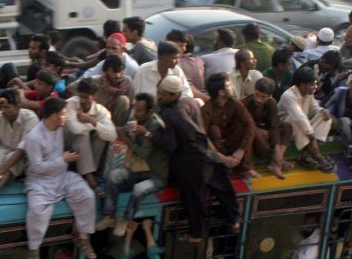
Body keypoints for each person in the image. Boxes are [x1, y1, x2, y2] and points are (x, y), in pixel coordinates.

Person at [154, 75, 239, 242]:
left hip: (190, 162)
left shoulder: (171, 115)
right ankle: (234, 220)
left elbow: (170, 145)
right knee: (223, 188)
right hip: (207, 153)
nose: (158, 96)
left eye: (162, 94)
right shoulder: (189, 102)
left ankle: (196, 234)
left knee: (193, 199)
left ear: (174, 95)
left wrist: (152, 135)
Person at [23, 97, 97, 259]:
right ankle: (33, 250)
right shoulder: (34, 137)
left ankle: (83, 237)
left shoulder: (60, 128)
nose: (66, 117)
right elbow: (37, 167)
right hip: (40, 181)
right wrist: (62, 159)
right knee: (37, 210)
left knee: (87, 195)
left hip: (62, 176)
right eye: (64, 114)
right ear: (55, 116)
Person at [97, 93, 169, 236]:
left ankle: (125, 219)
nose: (135, 114)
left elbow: (142, 153)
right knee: (113, 176)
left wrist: (127, 138)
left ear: (149, 111)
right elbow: (127, 132)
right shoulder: (135, 120)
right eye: (135, 110)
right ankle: (109, 216)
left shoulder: (154, 126)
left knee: (139, 189)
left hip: (155, 175)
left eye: (139, 111)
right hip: (139, 170)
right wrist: (123, 132)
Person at [202, 72, 258, 178]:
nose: (232, 87)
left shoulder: (235, 104)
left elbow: (250, 125)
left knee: (242, 125)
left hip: (233, 146)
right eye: (229, 85)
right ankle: (224, 168)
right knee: (213, 130)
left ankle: (244, 168)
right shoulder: (206, 110)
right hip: (216, 151)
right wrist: (222, 158)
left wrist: (241, 151)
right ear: (221, 92)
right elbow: (202, 139)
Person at [65, 78, 118, 192]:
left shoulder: (101, 111)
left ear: (94, 96)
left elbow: (112, 135)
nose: (82, 100)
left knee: (103, 134)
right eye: (81, 96)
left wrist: (91, 120)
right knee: (83, 135)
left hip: (85, 157)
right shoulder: (71, 103)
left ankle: (89, 172)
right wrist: (94, 127)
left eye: (86, 97)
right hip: (67, 149)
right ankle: (90, 179)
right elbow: (75, 128)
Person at [279, 67, 334, 173]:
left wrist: (323, 110)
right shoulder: (288, 95)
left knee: (325, 117)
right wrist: (312, 138)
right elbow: (299, 117)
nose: (315, 87)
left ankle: (307, 155)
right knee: (296, 119)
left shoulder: (308, 93)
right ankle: (317, 155)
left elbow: (315, 108)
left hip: (301, 130)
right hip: (287, 130)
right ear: (301, 84)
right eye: (312, 84)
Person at [244, 77, 290, 180]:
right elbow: (247, 127)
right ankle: (276, 160)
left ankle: (276, 163)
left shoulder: (271, 103)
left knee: (287, 126)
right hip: (253, 139)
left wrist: (277, 148)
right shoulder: (246, 104)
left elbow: (274, 126)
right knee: (254, 130)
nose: (258, 99)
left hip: (266, 135)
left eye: (263, 97)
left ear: (269, 96)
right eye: (257, 95)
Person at [71, 54, 134, 126]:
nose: (118, 75)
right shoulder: (95, 81)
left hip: (116, 121)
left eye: (120, 71)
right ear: (106, 71)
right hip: (96, 119)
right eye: (114, 72)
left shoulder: (127, 82)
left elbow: (132, 106)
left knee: (124, 100)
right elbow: (72, 87)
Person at [167, 29, 206, 99]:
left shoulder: (178, 65)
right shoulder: (174, 64)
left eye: (184, 45)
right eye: (181, 46)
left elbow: (189, 89)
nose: (184, 49)